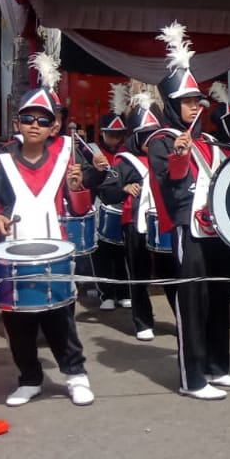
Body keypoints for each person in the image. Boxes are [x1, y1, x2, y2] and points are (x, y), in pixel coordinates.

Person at [0, 53, 101, 406]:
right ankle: (29, 378)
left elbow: (82, 207)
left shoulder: (68, 156)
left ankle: (76, 375)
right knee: (18, 324)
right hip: (15, 257)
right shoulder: (4, 162)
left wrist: (78, 186)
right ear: (18, 122)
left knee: (61, 321)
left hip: (55, 255)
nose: (35, 125)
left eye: (43, 120)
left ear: (54, 126)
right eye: (28, 119)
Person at [147, 25, 230, 399]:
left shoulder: (207, 141)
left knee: (218, 300)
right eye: (188, 101)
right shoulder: (160, 140)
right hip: (186, 230)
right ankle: (193, 378)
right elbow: (168, 184)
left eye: (197, 101)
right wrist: (179, 155)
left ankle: (218, 367)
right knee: (191, 304)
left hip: (216, 231)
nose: (195, 107)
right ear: (172, 104)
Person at [99, 90, 177, 341]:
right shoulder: (124, 161)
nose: (150, 141)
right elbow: (106, 190)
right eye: (145, 137)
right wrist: (122, 188)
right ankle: (143, 321)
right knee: (139, 275)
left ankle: (182, 316)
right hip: (134, 223)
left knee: (171, 274)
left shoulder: (165, 157)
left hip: (163, 222)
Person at [92, 92, 132, 311]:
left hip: (122, 208)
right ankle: (105, 294)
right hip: (101, 208)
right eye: (111, 135)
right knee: (102, 255)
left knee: (123, 255)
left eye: (118, 135)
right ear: (103, 133)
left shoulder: (127, 154)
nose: (115, 139)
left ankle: (125, 292)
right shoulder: (94, 152)